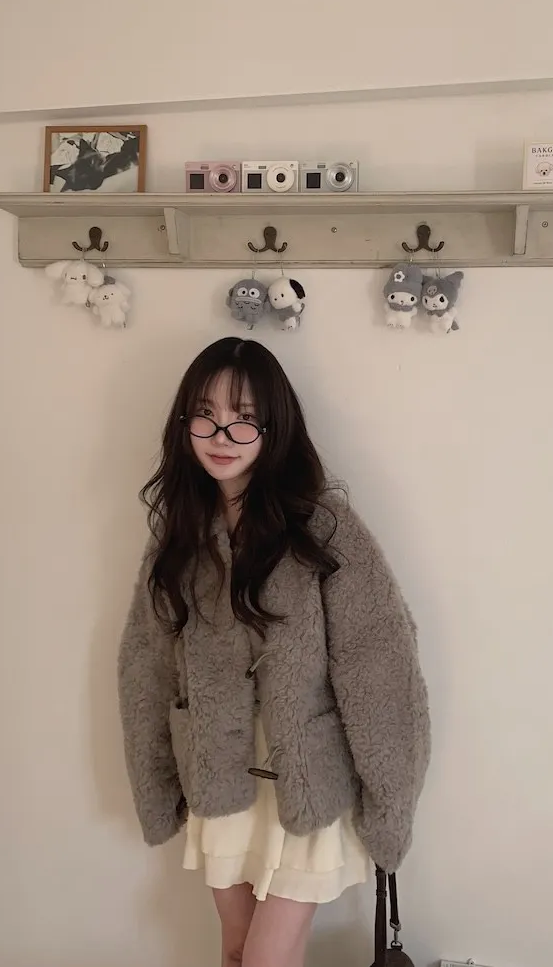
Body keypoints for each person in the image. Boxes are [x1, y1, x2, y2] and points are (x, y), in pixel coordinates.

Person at [118, 337, 430, 967]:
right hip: (219, 777)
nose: (221, 434)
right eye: (205, 414)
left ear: (274, 426)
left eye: (244, 417)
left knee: (264, 959)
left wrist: (389, 800)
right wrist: (157, 781)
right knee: (236, 951)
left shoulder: (324, 527)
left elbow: (379, 664)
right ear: (184, 423)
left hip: (305, 786)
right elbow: (145, 666)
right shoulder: (179, 536)